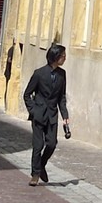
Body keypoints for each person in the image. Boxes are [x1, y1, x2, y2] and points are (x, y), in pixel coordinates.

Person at [22, 42, 71, 185]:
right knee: (38, 145)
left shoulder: (62, 74)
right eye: (63, 56)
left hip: (52, 115)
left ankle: (41, 164)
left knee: (51, 144)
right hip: (39, 114)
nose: (65, 58)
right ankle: (35, 174)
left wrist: (65, 116)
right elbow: (27, 94)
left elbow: (61, 97)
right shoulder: (39, 73)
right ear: (56, 57)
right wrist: (33, 110)